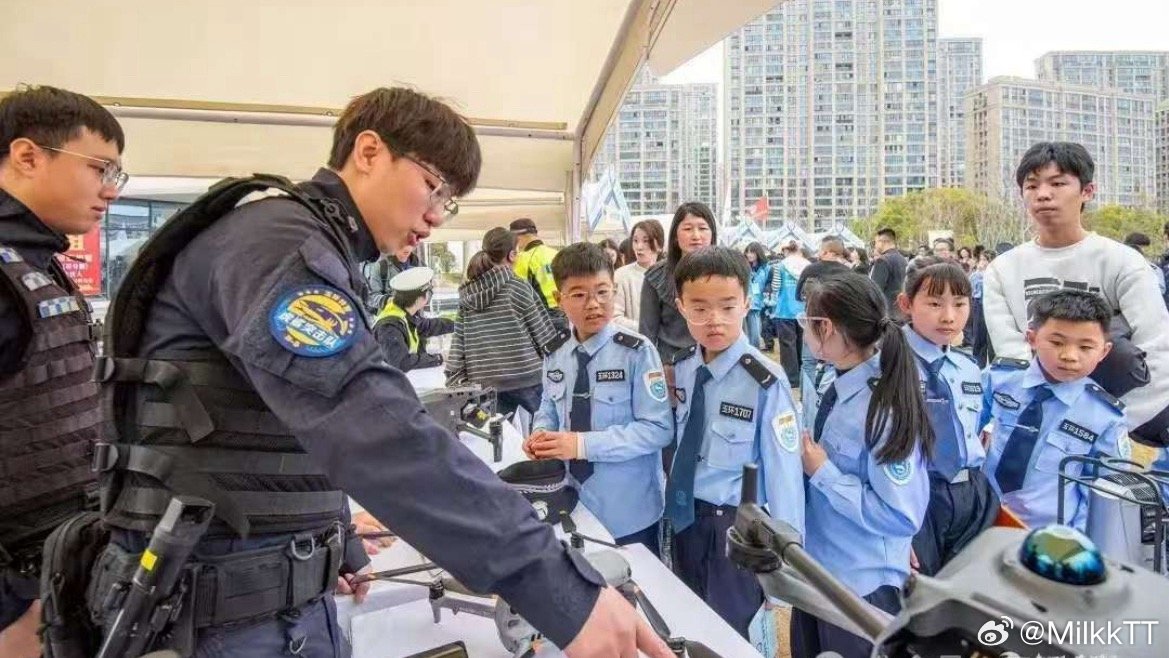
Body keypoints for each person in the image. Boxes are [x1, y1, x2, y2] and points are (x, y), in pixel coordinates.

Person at [90, 87, 671, 658]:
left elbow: (286, 416)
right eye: (434, 186)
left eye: (452, 202)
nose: (437, 216)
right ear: (368, 152)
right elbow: (372, 424)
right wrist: (552, 583)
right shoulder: (281, 247)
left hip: (255, 595)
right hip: (219, 614)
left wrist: (332, 532)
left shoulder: (301, 244)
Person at [0, 85, 124, 657]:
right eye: (100, 168)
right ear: (27, 155)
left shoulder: (38, 263)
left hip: (60, 572)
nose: (109, 191)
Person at [982, 142, 1169, 447]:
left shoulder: (1122, 262)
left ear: (1087, 191)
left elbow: (1159, 351)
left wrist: (1105, 425)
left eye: (1058, 183)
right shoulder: (1002, 269)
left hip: (1105, 421)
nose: (1043, 194)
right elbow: (1011, 355)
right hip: (1033, 422)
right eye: (1032, 185)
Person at [665, 246, 804, 637]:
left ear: (747, 303)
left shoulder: (765, 379)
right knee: (687, 623)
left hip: (735, 531)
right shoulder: (685, 367)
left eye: (727, 307)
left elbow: (785, 475)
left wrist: (784, 566)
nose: (714, 320)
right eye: (700, 308)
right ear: (680, 306)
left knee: (730, 632)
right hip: (684, 518)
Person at [793, 272, 932, 658]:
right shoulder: (838, 382)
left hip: (862, 585)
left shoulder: (881, 407)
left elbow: (900, 514)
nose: (804, 329)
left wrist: (824, 473)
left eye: (809, 321)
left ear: (827, 329)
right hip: (822, 571)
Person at [523, 243, 671, 553]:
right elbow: (549, 406)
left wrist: (581, 444)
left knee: (634, 593)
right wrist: (540, 434)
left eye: (603, 292)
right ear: (558, 300)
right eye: (578, 295)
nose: (594, 304)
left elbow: (658, 429)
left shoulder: (637, 352)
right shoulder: (556, 352)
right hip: (569, 503)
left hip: (629, 511)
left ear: (614, 291)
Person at [980, 289, 1130, 531]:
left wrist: (1075, 545)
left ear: (1104, 351)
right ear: (1031, 338)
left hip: (1046, 535)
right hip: (978, 516)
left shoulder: (1104, 417)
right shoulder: (999, 380)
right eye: (1057, 342)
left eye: (1085, 347)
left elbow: (1101, 496)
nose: (1069, 356)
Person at [898, 261, 998, 576]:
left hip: (970, 494)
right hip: (916, 496)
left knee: (968, 589)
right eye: (934, 303)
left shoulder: (967, 367)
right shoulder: (887, 364)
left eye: (959, 304)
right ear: (906, 304)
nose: (949, 316)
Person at [446, 227, 557, 418]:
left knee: (495, 438)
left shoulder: (467, 295)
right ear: (513, 255)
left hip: (484, 383)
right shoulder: (518, 287)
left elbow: (459, 342)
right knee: (547, 430)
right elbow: (543, 334)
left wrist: (455, 379)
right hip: (527, 377)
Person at [640, 201, 717, 365]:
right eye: (688, 229)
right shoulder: (656, 277)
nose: (696, 236)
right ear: (675, 236)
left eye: (703, 228)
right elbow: (647, 334)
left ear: (712, 234)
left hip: (716, 364)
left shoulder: (727, 274)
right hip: (671, 367)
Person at [373, 266, 454, 372]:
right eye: (428, 293)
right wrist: (440, 357)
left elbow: (426, 326)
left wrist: (458, 325)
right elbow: (402, 363)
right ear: (419, 299)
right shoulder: (389, 327)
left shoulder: (402, 313)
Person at [511, 217, 567, 331]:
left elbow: (519, 293)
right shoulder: (557, 254)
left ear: (518, 237)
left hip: (541, 318)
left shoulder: (522, 259)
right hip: (564, 314)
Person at [768, 240, 810, 387]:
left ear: (785, 250)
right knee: (801, 343)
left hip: (785, 308)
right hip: (803, 309)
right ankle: (801, 374)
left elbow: (776, 286)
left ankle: (791, 379)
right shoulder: (807, 265)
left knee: (787, 344)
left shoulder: (780, 266)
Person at [613, 219, 663, 332]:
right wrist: (647, 328)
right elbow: (614, 318)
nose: (639, 247)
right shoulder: (621, 275)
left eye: (646, 241)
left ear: (659, 245)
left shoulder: (669, 274)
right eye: (635, 241)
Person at [361, 243, 416, 314]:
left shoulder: (420, 267)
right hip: (390, 319)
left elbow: (428, 292)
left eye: (409, 243)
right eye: (402, 243)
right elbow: (371, 297)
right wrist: (388, 300)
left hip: (415, 319)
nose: (406, 247)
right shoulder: (381, 267)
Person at [869, 227, 909, 323]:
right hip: (901, 313)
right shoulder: (902, 259)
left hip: (887, 315)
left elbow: (875, 289)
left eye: (876, 242)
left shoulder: (882, 261)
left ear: (883, 241)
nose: (875, 246)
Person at [1123, 232, 1168, 301]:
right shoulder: (1115, 265)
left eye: (1143, 248)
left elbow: (1160, 291)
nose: (1140, 251)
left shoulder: (1154, 269)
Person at [743, 241, 771, 349]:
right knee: (744, 329)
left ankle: (754, 350)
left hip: (759, 302)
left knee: (755, 328)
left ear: (758, 253)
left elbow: (769, 284)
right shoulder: (744, 266)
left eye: (752, 252)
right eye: (747, 252)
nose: (749, 255)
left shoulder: (766, 268)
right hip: (745, 300)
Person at [970, 250, 996, 366]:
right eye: (981, 259)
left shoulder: (997, 273)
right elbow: (972, 288)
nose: (983, 262)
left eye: (986, 260)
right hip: (979, 304)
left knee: (992, 337)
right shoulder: (976, 274)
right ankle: (978, 364)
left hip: (994, 305)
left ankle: (993, 364)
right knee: (979, 336)